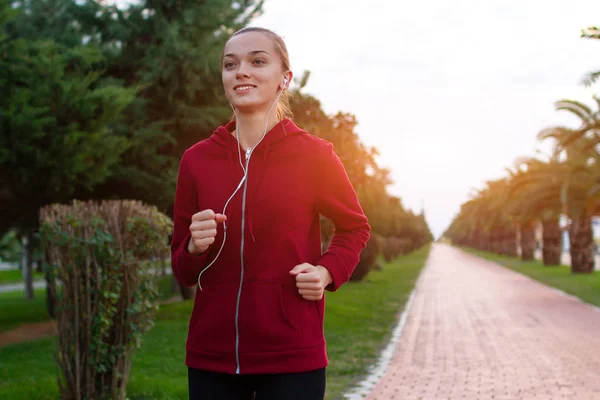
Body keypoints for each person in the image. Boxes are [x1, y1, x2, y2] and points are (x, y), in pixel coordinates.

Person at [170, 26, 371, 400]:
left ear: (285, 78)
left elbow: (354, 227)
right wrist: (195, 248)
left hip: (293, 355)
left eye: (257, 61)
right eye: (231, 65)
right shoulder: (196, 160)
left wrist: (327, 271)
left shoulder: (314, 155)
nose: (241, 71)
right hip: (211, 358)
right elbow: (182, 269)